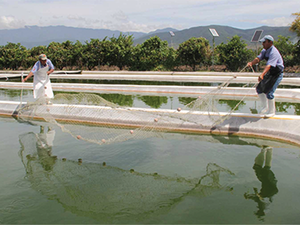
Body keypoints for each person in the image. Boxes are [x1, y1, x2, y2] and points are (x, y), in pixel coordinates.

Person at [247, 35, 284, 117]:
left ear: (270, 42)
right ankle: (265, 107)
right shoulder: (265, 50)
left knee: (270, 93)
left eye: (264, 42)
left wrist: (262, 74)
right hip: (270, 72)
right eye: (262, 42)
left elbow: (269, 65)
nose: (263, 44)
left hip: (277, 73)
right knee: (259, 89)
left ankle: (272, 111)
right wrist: (251, 63)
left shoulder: (273, 52)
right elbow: (258, 59)